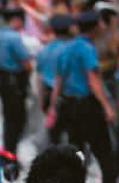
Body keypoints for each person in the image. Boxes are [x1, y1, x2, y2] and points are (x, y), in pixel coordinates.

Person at [47, 10, 118, 183]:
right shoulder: (86, 49)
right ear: (95, 27)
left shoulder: (66, 48)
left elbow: (58, 81)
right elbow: (92, 80)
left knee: (76, 151)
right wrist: (107, 106)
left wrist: (53, 108)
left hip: (69, 107)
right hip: (87, 106)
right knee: (103, 150)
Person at [0, 6, 32, 156]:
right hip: (16, 82)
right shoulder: (14, 37)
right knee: (17, 118)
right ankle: (12, 150)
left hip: (2, 80)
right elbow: (26, 63)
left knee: (7, 116)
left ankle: (8, 148)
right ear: (16, 20)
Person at [36, 14, 73, 144]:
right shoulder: (71, 50)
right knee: (72, 136)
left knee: (54, 137)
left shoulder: (43, 51)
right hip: (66, 96)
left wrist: (41, 101)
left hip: (48, 94)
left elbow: (39, 78)